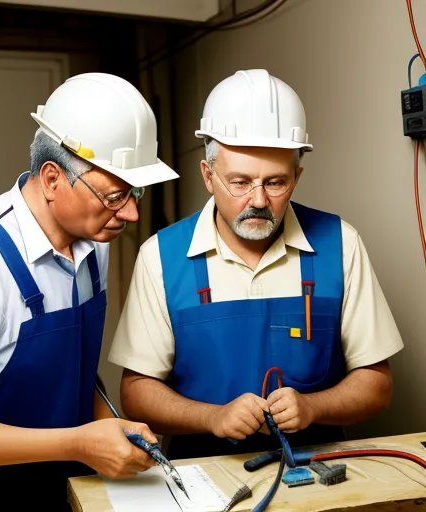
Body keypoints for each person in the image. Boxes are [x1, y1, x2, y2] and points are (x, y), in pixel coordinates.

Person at [0, 72, 178, 511]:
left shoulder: (94, 243)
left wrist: (108, 426)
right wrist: (77, 444)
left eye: (136, 192)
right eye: (115, 196)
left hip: (70, 494)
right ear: (53, 178)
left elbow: (63, 372)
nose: (131, 212)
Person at [108, 69, 404, 460]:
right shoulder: (160, 256)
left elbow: (377, 385)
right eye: (240, 181)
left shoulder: (341, 244)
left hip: (318, 465)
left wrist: (314, 407)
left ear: (297, 177)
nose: (259, 200)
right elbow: (136, 393)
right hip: (202, 468)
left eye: (275, 182)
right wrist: (213, 417)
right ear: (208, 176)